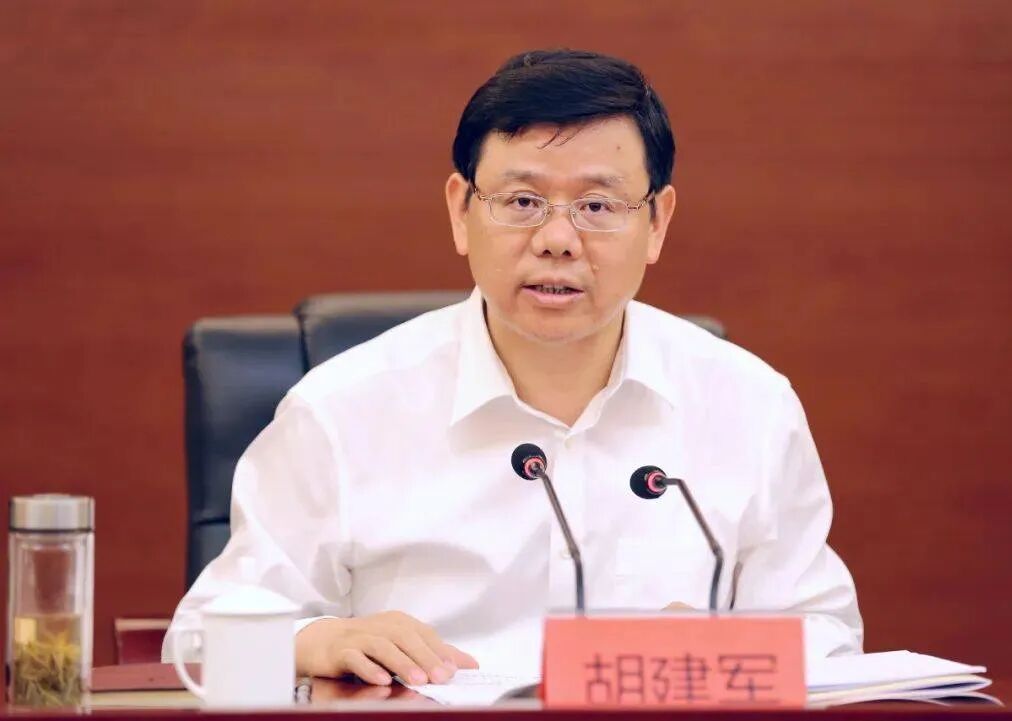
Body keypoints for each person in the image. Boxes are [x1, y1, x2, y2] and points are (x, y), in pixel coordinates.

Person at [165, 48, 862, 686]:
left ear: (657, 223)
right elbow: (194, 643)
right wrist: (317, 638)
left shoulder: (749, 405)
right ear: (460, 211)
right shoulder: (342, 409)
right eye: (523, 202)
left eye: (597, 205)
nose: (557, 239)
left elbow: (830, 638)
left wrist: (733, 645)